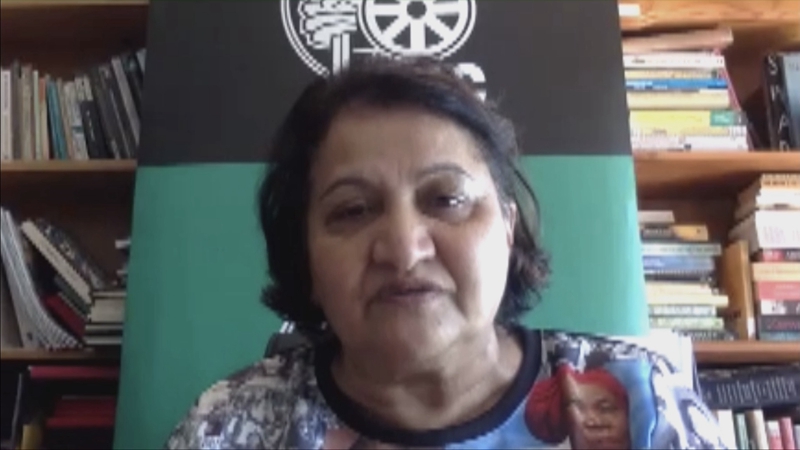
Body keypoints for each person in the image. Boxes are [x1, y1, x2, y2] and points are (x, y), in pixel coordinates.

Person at [164, 56, 729, 450]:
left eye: (447, 199)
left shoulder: (639, 402)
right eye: (353, 210)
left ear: (507, 228)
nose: (404, 249)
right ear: (305, 257)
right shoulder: (228, 428)